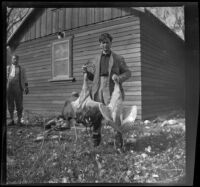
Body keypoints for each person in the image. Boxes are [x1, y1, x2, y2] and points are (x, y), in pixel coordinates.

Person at [82, 33, 131, 148]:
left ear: (111, 43)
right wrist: (86, 73)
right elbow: (94, 78)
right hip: (97, 90)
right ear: (100, 44)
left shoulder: (118, 58)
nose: (105, 45)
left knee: (114, 116)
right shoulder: (96, 59)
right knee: (96, 114)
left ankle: (118, 142)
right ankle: (96, 139)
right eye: (103, 43)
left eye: (107, 42)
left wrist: (119, 78)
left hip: (112, 90)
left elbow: (128, 73)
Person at [7, 55, 29, 126]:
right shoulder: (8, 68)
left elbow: (25, 78)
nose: (15, 60)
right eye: (14, 59)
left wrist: (26, 87)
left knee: (19, 104)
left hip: (18, 88)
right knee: (10, 104)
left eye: (16, 59)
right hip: (9, 88)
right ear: (12, 60)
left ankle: (19, 120)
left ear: (18, 60)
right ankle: (11, 120)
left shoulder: (22, 68)